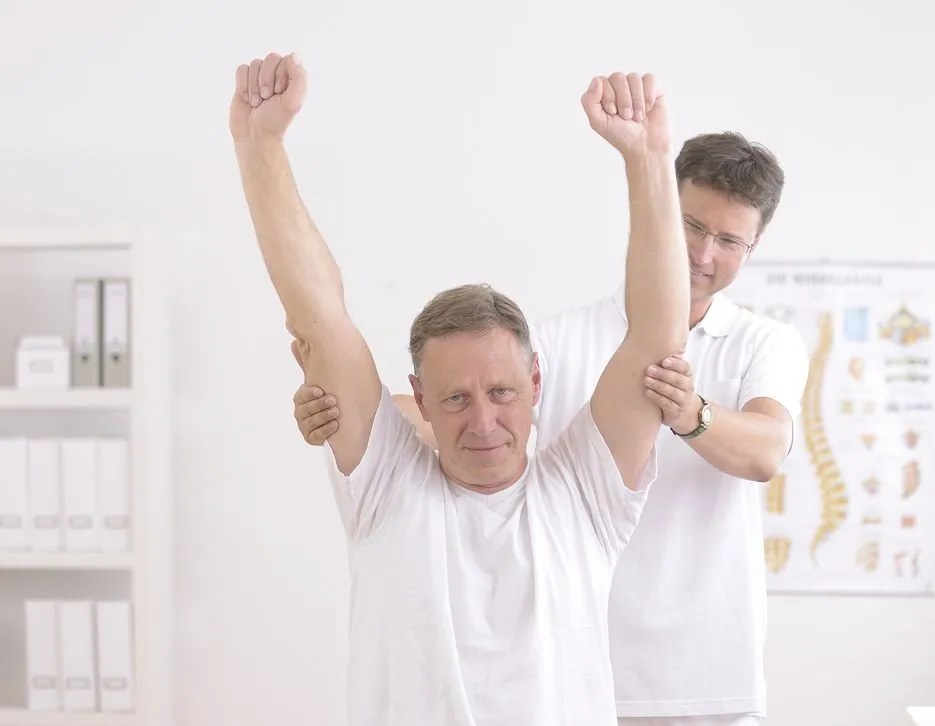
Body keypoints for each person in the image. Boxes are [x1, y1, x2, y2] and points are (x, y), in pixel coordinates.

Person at [231, 52, 692, 726]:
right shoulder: (388, 483)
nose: (482, 422)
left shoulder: (582, 493)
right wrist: (259, 143)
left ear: (535, 383)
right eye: (454, 399)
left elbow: (656, 336)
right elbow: (318, 315)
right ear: (418, 398)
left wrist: (649, 158)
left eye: (502, 392)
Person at [292, 128, 810, 726]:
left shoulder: (765, 343)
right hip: (585, 665)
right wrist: (340, 417)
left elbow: (767, 452)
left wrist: (691, 415)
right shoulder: (564, 340)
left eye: (728, 240)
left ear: (754, 245)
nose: (702, 254)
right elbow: (471, 407)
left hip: (708, 675)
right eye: (692, 227)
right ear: (665, 211)